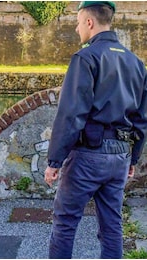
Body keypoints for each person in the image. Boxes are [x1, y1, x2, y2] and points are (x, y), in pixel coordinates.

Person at [44, 1, 147, 258]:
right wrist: (133, 157)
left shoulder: (86, 57)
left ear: (89, 22)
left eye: (78, 23)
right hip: (120, 157)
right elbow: (142, 118)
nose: (77, 29)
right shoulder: (136, 63)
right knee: (112, 226)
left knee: (65, 223)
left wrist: (54, 161)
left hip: (89, 155)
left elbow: (71, 115)